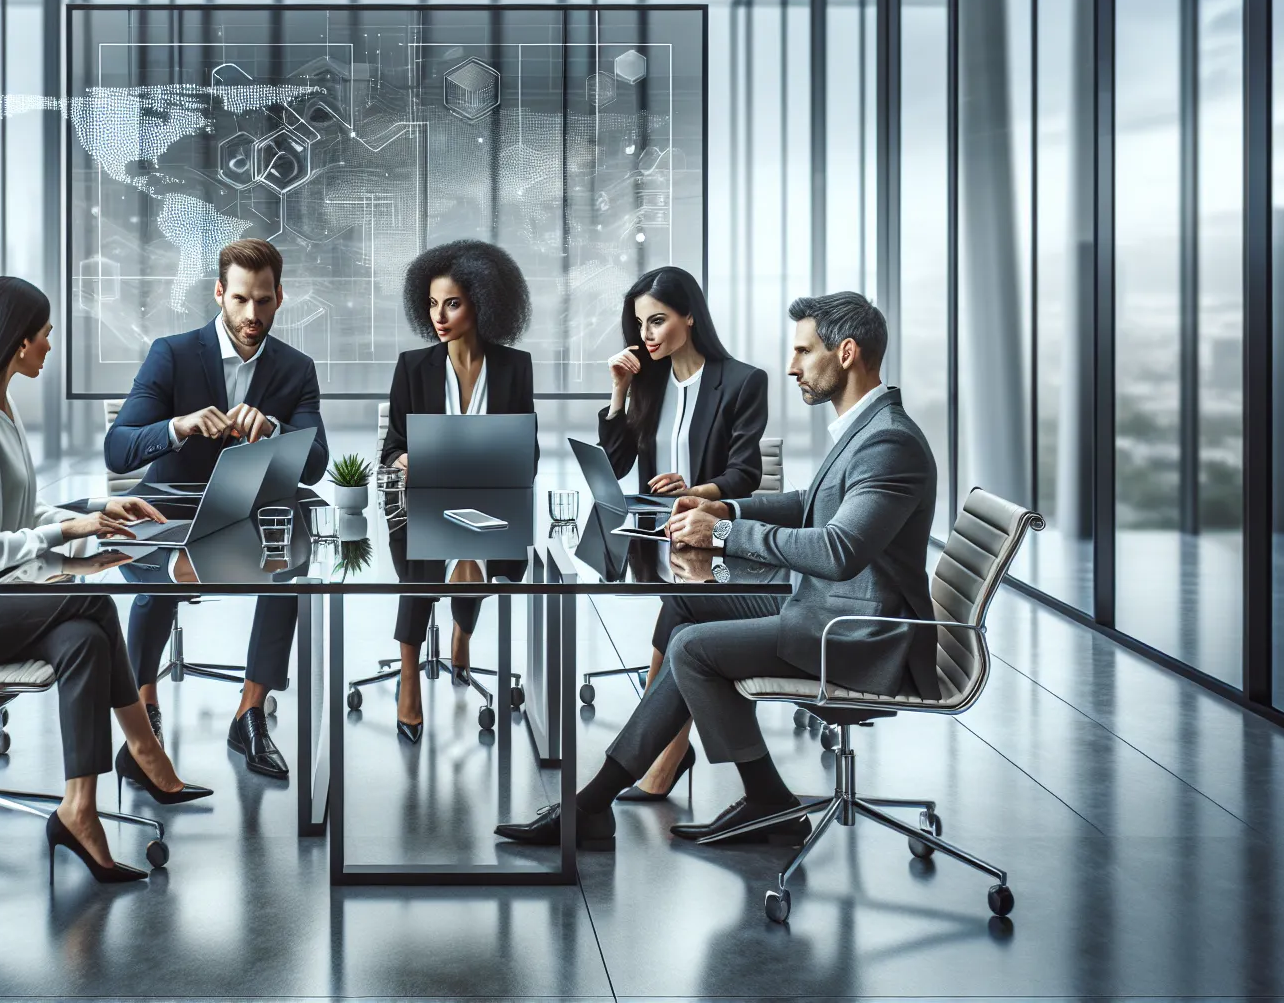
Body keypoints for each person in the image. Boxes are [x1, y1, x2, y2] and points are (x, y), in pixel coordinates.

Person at [495, 291, 938, 849]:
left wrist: (723, 535)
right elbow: (809, 502)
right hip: (828, 608)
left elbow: (838, 550)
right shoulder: (865, 426)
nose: (791, 365)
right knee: (685, 604)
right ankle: (618, 801)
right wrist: (723, 507)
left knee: (692, 648)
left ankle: (702, 801)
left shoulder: (888, 441)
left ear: (846, 353)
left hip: (859, 635)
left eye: (803, 352)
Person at [0, 276, 211, 885]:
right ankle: (146, 753)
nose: (50, 347)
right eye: (45, 336)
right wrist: (74, 535)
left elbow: (16, 517)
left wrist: (91, 512)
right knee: (93, 600)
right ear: (18, 345)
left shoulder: (0, 409)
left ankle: (79, 810)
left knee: (84, 641)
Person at [105, 238, 329, 779]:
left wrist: (275, 429)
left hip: (249, 516)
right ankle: (144, 712)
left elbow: (317, 461)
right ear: (219, 294)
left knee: (289, 569)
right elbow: (119, 447)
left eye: (264, 301)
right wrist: (177, 427)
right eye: (240, 300)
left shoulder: (296, 369)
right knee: (162, 576)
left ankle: (250, 714)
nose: (252, 315)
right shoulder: (173, 353)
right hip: (171, 511)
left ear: (280, 297)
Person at [596, 266, 769, 802]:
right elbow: (615, 463)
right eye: (640, 323)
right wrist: (619, 392)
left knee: (679, 612)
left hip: (712, 536)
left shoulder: (741, 381)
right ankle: (661, 748)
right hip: (657, 531)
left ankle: (663, 752)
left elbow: (746, 474)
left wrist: (695, 490)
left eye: (658, 320)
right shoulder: (649, 380)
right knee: (676, 611)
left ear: (689, 316)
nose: (646, 334)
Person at [381, 239, 534, 742]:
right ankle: (409, 675)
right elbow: (392, 447)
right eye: (431, 303)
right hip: (421, 499)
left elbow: (527, 454)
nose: (439, 316)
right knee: (430, 547)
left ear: (483, 303)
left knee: (475, 537)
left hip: (491, 498)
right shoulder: (412, 367)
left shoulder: (515, 368)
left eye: (452, 303)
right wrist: (403, 458)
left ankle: (462, 632)